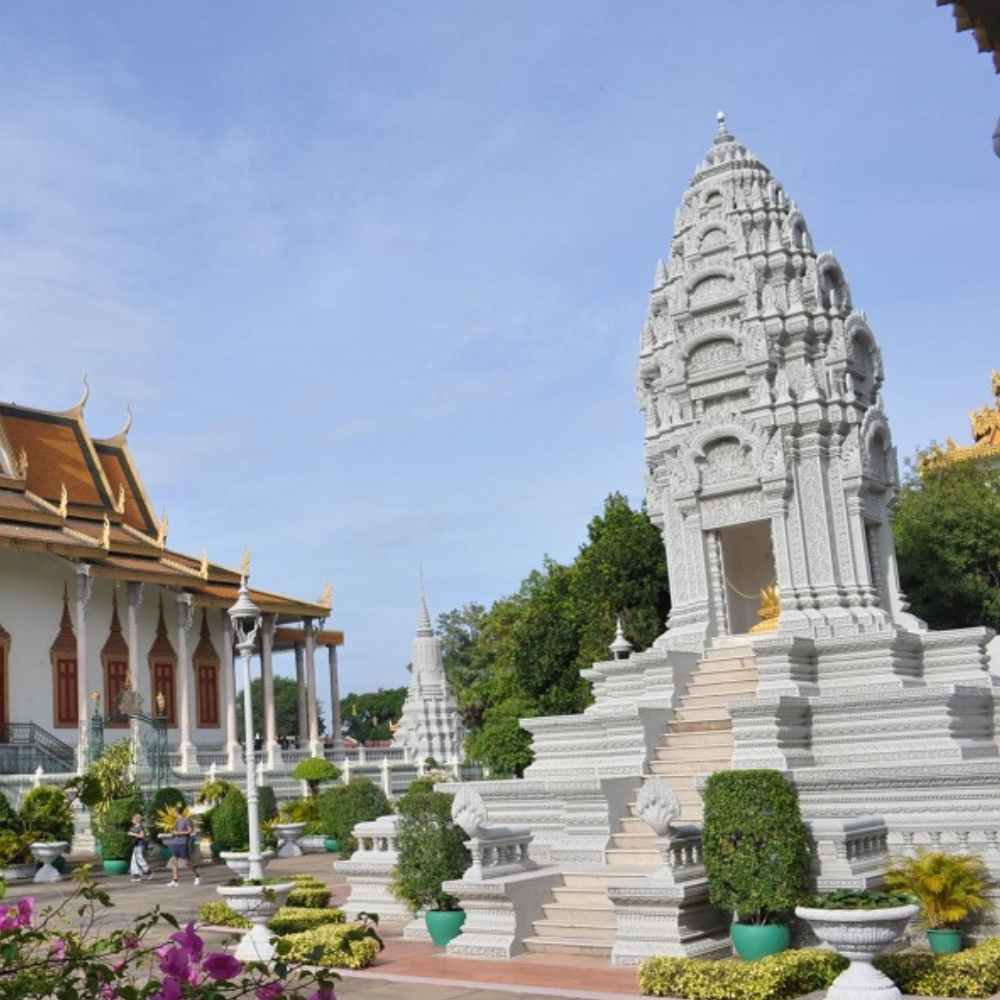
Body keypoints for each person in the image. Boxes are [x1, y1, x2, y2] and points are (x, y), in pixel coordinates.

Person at [167, 810, 200, 887]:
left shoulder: (186, 820)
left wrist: (179, 833)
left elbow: (190, 831)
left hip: (183, 843)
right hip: (175, 843)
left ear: (178, 812)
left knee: (187, 863)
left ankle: (197, 876)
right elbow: (175, 831)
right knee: (174, 861)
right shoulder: (176, 821)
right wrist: (173, 833)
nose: (173, 814)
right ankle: (175, 880)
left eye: (174, 812)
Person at [128, 813, 152, 882]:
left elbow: (142, 836)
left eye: (133, 819)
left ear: (137, 820)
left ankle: (148, 872)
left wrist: (133, 834)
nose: (132, 820)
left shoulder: (140, 827)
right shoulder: (134, 827)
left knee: (140, 859)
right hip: (135, 845)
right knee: (134, 860)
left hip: (140, 845)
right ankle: (137, 876)